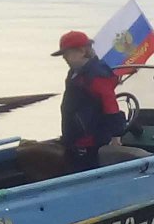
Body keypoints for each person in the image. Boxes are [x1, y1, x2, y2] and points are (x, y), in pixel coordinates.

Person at [53, 29, 127, 173]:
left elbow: (110, 104)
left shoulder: (96, 75)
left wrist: (116, 135)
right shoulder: (74, 73)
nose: (64, 58)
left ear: (82, 51)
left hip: (91, 142)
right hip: (75, 139)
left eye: (67, 54)